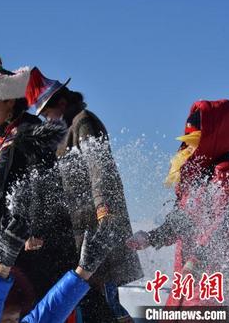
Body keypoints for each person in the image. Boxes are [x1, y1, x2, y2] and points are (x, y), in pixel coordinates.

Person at [25, 67, 143, 322]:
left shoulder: (83, 122)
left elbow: (99, 168)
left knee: (107, 298)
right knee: (94, 297)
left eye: (48, 113)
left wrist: (104, 211)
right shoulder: (63, 133)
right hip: (81, 227)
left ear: (63, 103)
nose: (47, 120)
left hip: (100, 222)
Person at [0, 56, 79, 305]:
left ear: (9, 100)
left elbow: (45, 182)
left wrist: (34, 227)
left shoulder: (31, 131)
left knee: (31, 304)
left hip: (30, 242)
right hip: (1, 239)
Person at [127, 99, 229, 308]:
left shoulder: (225, 173)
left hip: (209, 284)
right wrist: (151, 238)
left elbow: (228, 223)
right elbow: (184, 219)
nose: (188, 147)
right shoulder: (197, 176)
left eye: (194, 140)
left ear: (213, 138)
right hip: (185, 284)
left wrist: (196, 260)